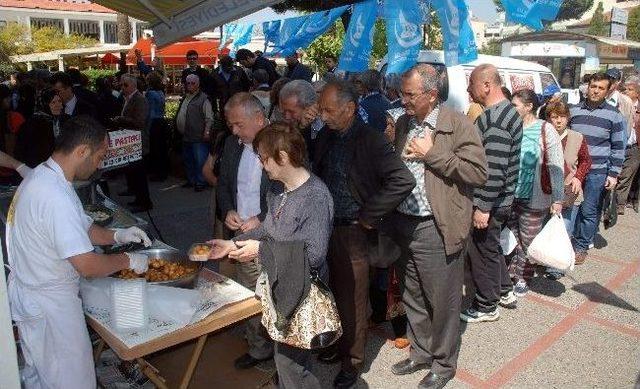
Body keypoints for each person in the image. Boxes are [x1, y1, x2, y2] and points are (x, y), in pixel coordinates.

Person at [7, 115, 151, 389]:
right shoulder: (53, 195)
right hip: (50, 305)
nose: (100, 163)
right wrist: (127, 259)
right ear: (82, 151)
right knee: (72, 380)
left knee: (43, 377)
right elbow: (87, 265)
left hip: (38, 297)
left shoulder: (49, 176)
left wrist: (118, 235)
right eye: (100, 156)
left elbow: (82, 227)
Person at [209, 122, 333, 389]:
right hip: (281, 288)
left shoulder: (316, 196)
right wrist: (232, 245)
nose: (263, 166)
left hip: (301, 294)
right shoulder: (278, 189)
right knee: (286, 363)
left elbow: (314, 255)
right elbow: (268, 229)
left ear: (283, 158)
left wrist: (260, 250)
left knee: (292, 365)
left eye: (264, 159)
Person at [388, 64, 487, 389]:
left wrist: (434, 155)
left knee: (442, 301)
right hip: (404, 222)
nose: (403, 100)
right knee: (412, 294)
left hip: (436, 226)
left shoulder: (457, 124)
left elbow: (477, 173)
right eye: (402, 93)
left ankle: (443, 365)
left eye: (410, 94)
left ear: (431, 95)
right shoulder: (404, 123)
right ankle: (421, 352)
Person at [314, 80, 415, 388]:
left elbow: (402, 180)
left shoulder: (371, 140)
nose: (324, 116)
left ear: (350, 109)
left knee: (352, 301)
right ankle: (337, 344)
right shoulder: (326, 137)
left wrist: (369, 216)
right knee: (330, 292)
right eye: (321, 109)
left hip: (353, 232)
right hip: (326, 227)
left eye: (329, 110)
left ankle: (352, 362)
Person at [460, 64, 523, 323]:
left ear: (487, 85)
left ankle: (486, 305)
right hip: (500, 199)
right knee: (491, 247)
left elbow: (494, 167)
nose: (467, 89)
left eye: (471, 83)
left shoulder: (496, 118)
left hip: (492, 201)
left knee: (482, 251)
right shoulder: (504, 112)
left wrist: (483, 207)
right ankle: (505, 290)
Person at [216, 92, 274, 369]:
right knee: (243, 289)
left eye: (239, 124)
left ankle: (266, 347)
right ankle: (258, 342)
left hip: (267, 234)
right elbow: (224, 184)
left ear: (259, 119)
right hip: (237, 232)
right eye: (231, 125)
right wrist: (227, 210)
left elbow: (292, 190)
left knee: (262, 292)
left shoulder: (280, 144)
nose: (234, 130)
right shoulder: (231, 144)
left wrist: (262, 218)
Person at [508, 89, 565, 295]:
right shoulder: (512, 127)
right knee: (515, 237)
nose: (511, 109)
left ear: (529, 106)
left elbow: (556, 165)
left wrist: (557, 198)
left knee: (529, 238)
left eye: (515, 105)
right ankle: (513, 272)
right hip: (511, 195)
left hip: (536, 196)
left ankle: (523, 277)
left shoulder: (545, 129)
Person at [569, 72, 626, 264]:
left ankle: (581, 247)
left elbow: (619, 146)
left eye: (600, 88)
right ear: (588, 87)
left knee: (588, 210)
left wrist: (613, 173)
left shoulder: (614, 115)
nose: (595, 91)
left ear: (607, 91)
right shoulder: (574, 111)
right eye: (593, 86)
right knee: (570, 207)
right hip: (575, 170)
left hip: (597, 171)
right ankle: (567, 241)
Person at [543, 100, 592, 280]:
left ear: (568, 118)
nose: (558, 121)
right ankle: (540, 258)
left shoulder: (577, 137)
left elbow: (586, 160)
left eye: (562, 117)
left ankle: (555, 266)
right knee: (544, 226)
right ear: (548, 118)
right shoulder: (543, 136)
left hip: (568, 188)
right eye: (554, 117)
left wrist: (579, 177)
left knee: (564, 228)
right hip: (545, 189)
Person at [112, 73, 153, 212]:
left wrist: (121, 119)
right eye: (121, 84)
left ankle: (144, 202)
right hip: (132, 142)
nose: (122, 87)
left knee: (140, 174)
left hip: (139, 142)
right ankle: (138, 198)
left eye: (125, 85)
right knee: (134, 173)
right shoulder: (127, 98)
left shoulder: (139, 99)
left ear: (133, 85)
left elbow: (140, 122)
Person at [175, 74, 213, 192]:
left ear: (198, 84)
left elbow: (209, 118)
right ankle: (192, 180)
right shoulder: (185, 97)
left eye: (193, 83)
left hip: (198, 136)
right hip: (186, 135)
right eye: (188, 83)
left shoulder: (204, 98)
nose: (190, 85)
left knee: (200, 160)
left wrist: (207, 132)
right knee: (189, 160)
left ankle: (201, 182)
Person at [14, 89, 66, 169]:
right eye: (53, 102)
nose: (58, 105)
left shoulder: (64, 120)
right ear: (44, 104)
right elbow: (22, 152)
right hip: (36, 169)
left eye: (59, 101)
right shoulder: (32, 124)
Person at [614, 75, 640, 215]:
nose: (627, 92)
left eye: (630, 90)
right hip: (619, 145)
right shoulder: (621, 105)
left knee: (626, 176)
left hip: (634, 147)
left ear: (637, 93)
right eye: (626, 89)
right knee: (616, 173)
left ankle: (620, 204)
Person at [279, 80, 323, 158]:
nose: (287, 116)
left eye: (291, 112)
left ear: (308, 107)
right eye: (283, 111)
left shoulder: (324, 127)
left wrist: (304, 128)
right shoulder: (287, 126)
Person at [145, 71, 169, 182]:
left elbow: (150, 111)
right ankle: (164, 172)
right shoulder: (161, 92)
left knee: (155, 149)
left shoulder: (150, 93)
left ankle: (158, 173)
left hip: (154, 122)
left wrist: (148, 127)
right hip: (162, 121)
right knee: (162, 149)